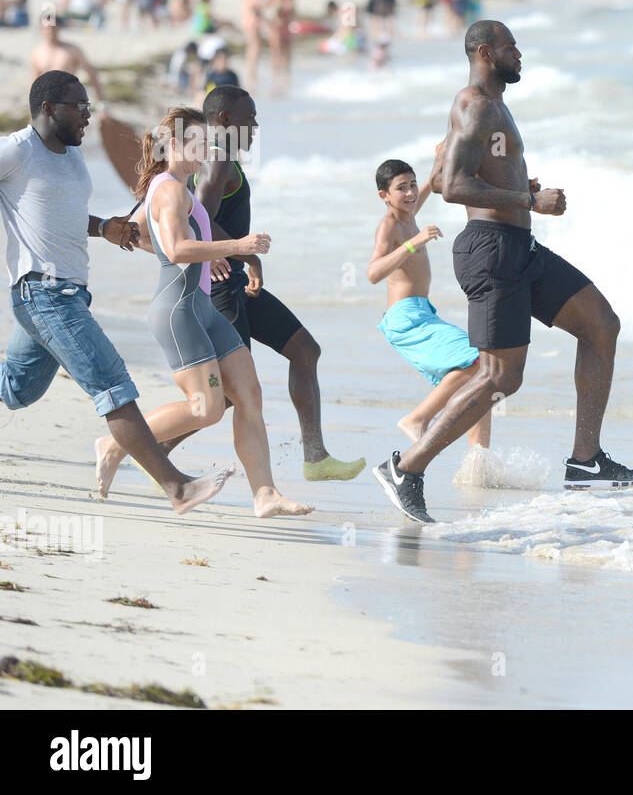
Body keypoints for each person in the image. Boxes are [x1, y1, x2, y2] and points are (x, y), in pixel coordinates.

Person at [371, 20, 633, 523]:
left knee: (600, 324)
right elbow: (452, 186)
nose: (519, 54)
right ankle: (406, 467)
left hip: (518, 245)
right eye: (510, 47)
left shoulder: (493, 106)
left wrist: (518, 182)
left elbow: (455, 172)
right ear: (484, 52)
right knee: (501, 375)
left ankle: (586, 462)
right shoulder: (475, 104)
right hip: (491, 251)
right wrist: (528, 198)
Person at [2, 72, 231, 514]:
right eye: (80, 107)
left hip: (69, 293)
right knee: (112, 383)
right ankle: (177, 488)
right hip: (44, 293)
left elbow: (59, 213)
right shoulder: (16, 150)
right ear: (49, 108)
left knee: (17, 389)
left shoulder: (70, 156)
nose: (89, 116)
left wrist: (102, 227)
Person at [95, 108, 312, 516]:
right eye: (198, 144)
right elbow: (175, 249)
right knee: (207, 409)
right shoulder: (170, 191)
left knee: (249, 394)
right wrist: (234, 246)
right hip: (179, 312)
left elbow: (138, 233)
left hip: (202, 307)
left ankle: (265, 494)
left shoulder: (172, 186)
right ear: (174, 145)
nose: (206, 152)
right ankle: (114, 443)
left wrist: (203, 254)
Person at [178, 86, 365, 482]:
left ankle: (315, 457)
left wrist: (245, 258)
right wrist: (234, 254)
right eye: (250, 118)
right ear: (225, 119)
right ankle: (152, 449)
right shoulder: (218, 159)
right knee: (228, 393)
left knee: (305, 350)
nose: (256, 126)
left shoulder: (221, 157)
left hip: (234, 278)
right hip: (221, 286)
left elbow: (199, 214)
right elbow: (199, 219)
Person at [368, 157, 490, 446]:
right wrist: (414, 243)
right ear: (384, 196)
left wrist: (442, 156)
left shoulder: (409, 213)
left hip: (424, 315)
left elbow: (432, 184)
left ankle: (478, 463)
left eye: (411, 185)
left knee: (482, 382)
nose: (410, 193)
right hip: (406, 319)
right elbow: (373, 273)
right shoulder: (390, 225)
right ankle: (417, 419)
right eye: (401, 188)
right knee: (481, 359)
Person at [30, 18, 105, 109]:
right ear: (41, 29)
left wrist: (102, 105)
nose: (50, 31)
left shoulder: (72, 50)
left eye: (53, 27)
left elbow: (92, 75)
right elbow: (35, 83)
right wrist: (33, 109)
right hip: (47, 103)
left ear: (59, 28)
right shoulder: (37, 53)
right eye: (46, 28)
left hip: (70, 101)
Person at [240, 0, 265, 91]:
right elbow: (256, 10)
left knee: (252, 49)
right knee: (254, 49)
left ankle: (252, 74)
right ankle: (252, 75)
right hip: (252, 24)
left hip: (249, 23)